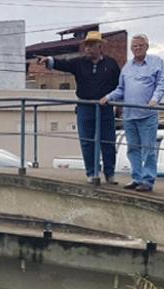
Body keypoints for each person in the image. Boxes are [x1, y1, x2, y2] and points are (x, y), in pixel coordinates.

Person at [37, 31, 120, 184]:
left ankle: (110, 173)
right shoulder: (79, 63)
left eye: (91, 46)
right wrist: (48, 60)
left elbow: (119, 86)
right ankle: (92, 173)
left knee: (108, 141)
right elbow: (64, 63)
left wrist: (115, 100)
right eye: (86, 46)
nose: (87, 49)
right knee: (87, 141)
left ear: (99, 47)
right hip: (85, 106)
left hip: (105, 107)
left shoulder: (111, 64)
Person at [99, 34, 164, 192]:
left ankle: (148, 180)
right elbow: (121, 89)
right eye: (134, 46)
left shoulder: (156, 62)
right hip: (129, 115)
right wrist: (108, 97)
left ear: (147, 46)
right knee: (133, 149)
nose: (137, 48)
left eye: (140, 46)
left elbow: (161, 84)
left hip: (147, 114)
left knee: (148, 149)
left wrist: (155, 99)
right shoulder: (127, 67)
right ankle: (137, 177)